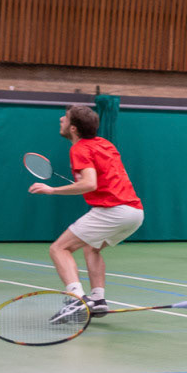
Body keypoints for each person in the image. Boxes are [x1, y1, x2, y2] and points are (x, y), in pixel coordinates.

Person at [27, 105, 145, 319]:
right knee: (92, 248)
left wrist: (52, 190)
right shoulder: (105, 144)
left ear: (73, 128)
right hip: (135, 212)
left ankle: (76, 299)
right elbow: (103, 177)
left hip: (113, 210)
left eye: (65, 117)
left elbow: (90, 183)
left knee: (59, 249)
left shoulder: (79, 149)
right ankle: (98, 299)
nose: (61, 119)